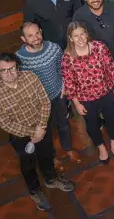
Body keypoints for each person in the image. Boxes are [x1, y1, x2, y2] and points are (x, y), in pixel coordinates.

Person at [0, 53, 75, 211]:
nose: (9, 73)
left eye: (12, 68)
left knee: (46, 154)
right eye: (4, 70)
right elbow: (5, 123)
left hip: (42, 126)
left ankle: (51, 178)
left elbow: (44, 102)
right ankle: (34, 190)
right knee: (27, 164)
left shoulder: (30, 77)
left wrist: (41, 127)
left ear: (17, 67)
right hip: (21, 136)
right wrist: (32, 133)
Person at [16, 23, 81, 166]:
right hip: (39, 102)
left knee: (63, 124)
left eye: (37, 33)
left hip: (58, 96)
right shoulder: (19, 59)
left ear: (41, 31)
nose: (35, 38)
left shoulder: (53, 48)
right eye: (30, 36)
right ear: (23, 38)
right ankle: (52, 157)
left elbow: (62, 68)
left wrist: (64, 85)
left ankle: (68, 149)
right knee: (46, 130)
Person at [61, 23, 114, 165]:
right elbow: (69, 83)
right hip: (85, 99)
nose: (80, 38)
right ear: (70, 38)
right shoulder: (67, 58)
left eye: (82, 34)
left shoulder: (99, 47)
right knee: (92, 125)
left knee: (112, 119)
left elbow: (111, 67)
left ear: (87, 34)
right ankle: (101, 148)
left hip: (106, 92)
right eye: (76, 36)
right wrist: (76, 103)